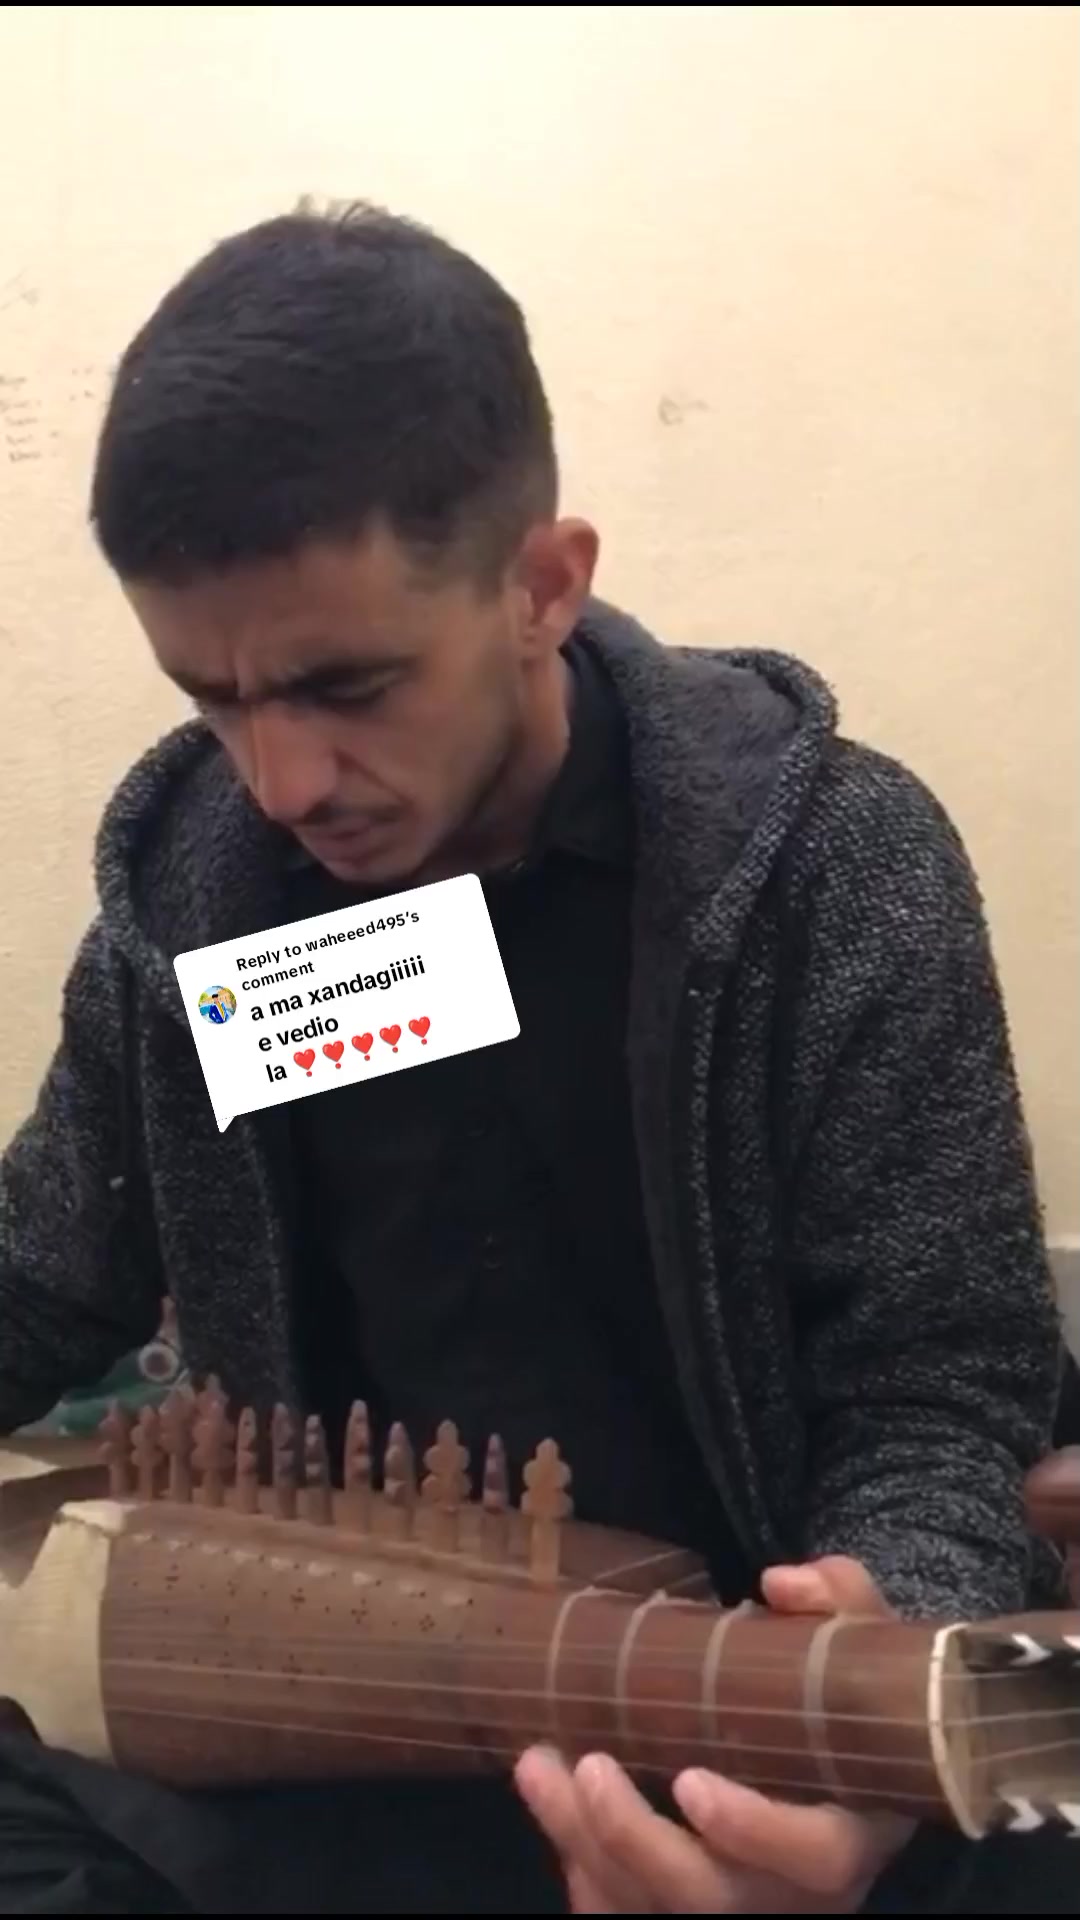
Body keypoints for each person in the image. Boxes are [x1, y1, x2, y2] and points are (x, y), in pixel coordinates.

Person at [0, 203, 1074, 1914]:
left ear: (543, 586)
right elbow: (49, 1270)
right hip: (334, 1724)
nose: (281, 780)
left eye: (348, 686)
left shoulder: (824, 869)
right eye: (211, 696)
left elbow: (941, 1387)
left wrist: (856, 1709)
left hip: (732, 1708)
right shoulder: (208, 893)